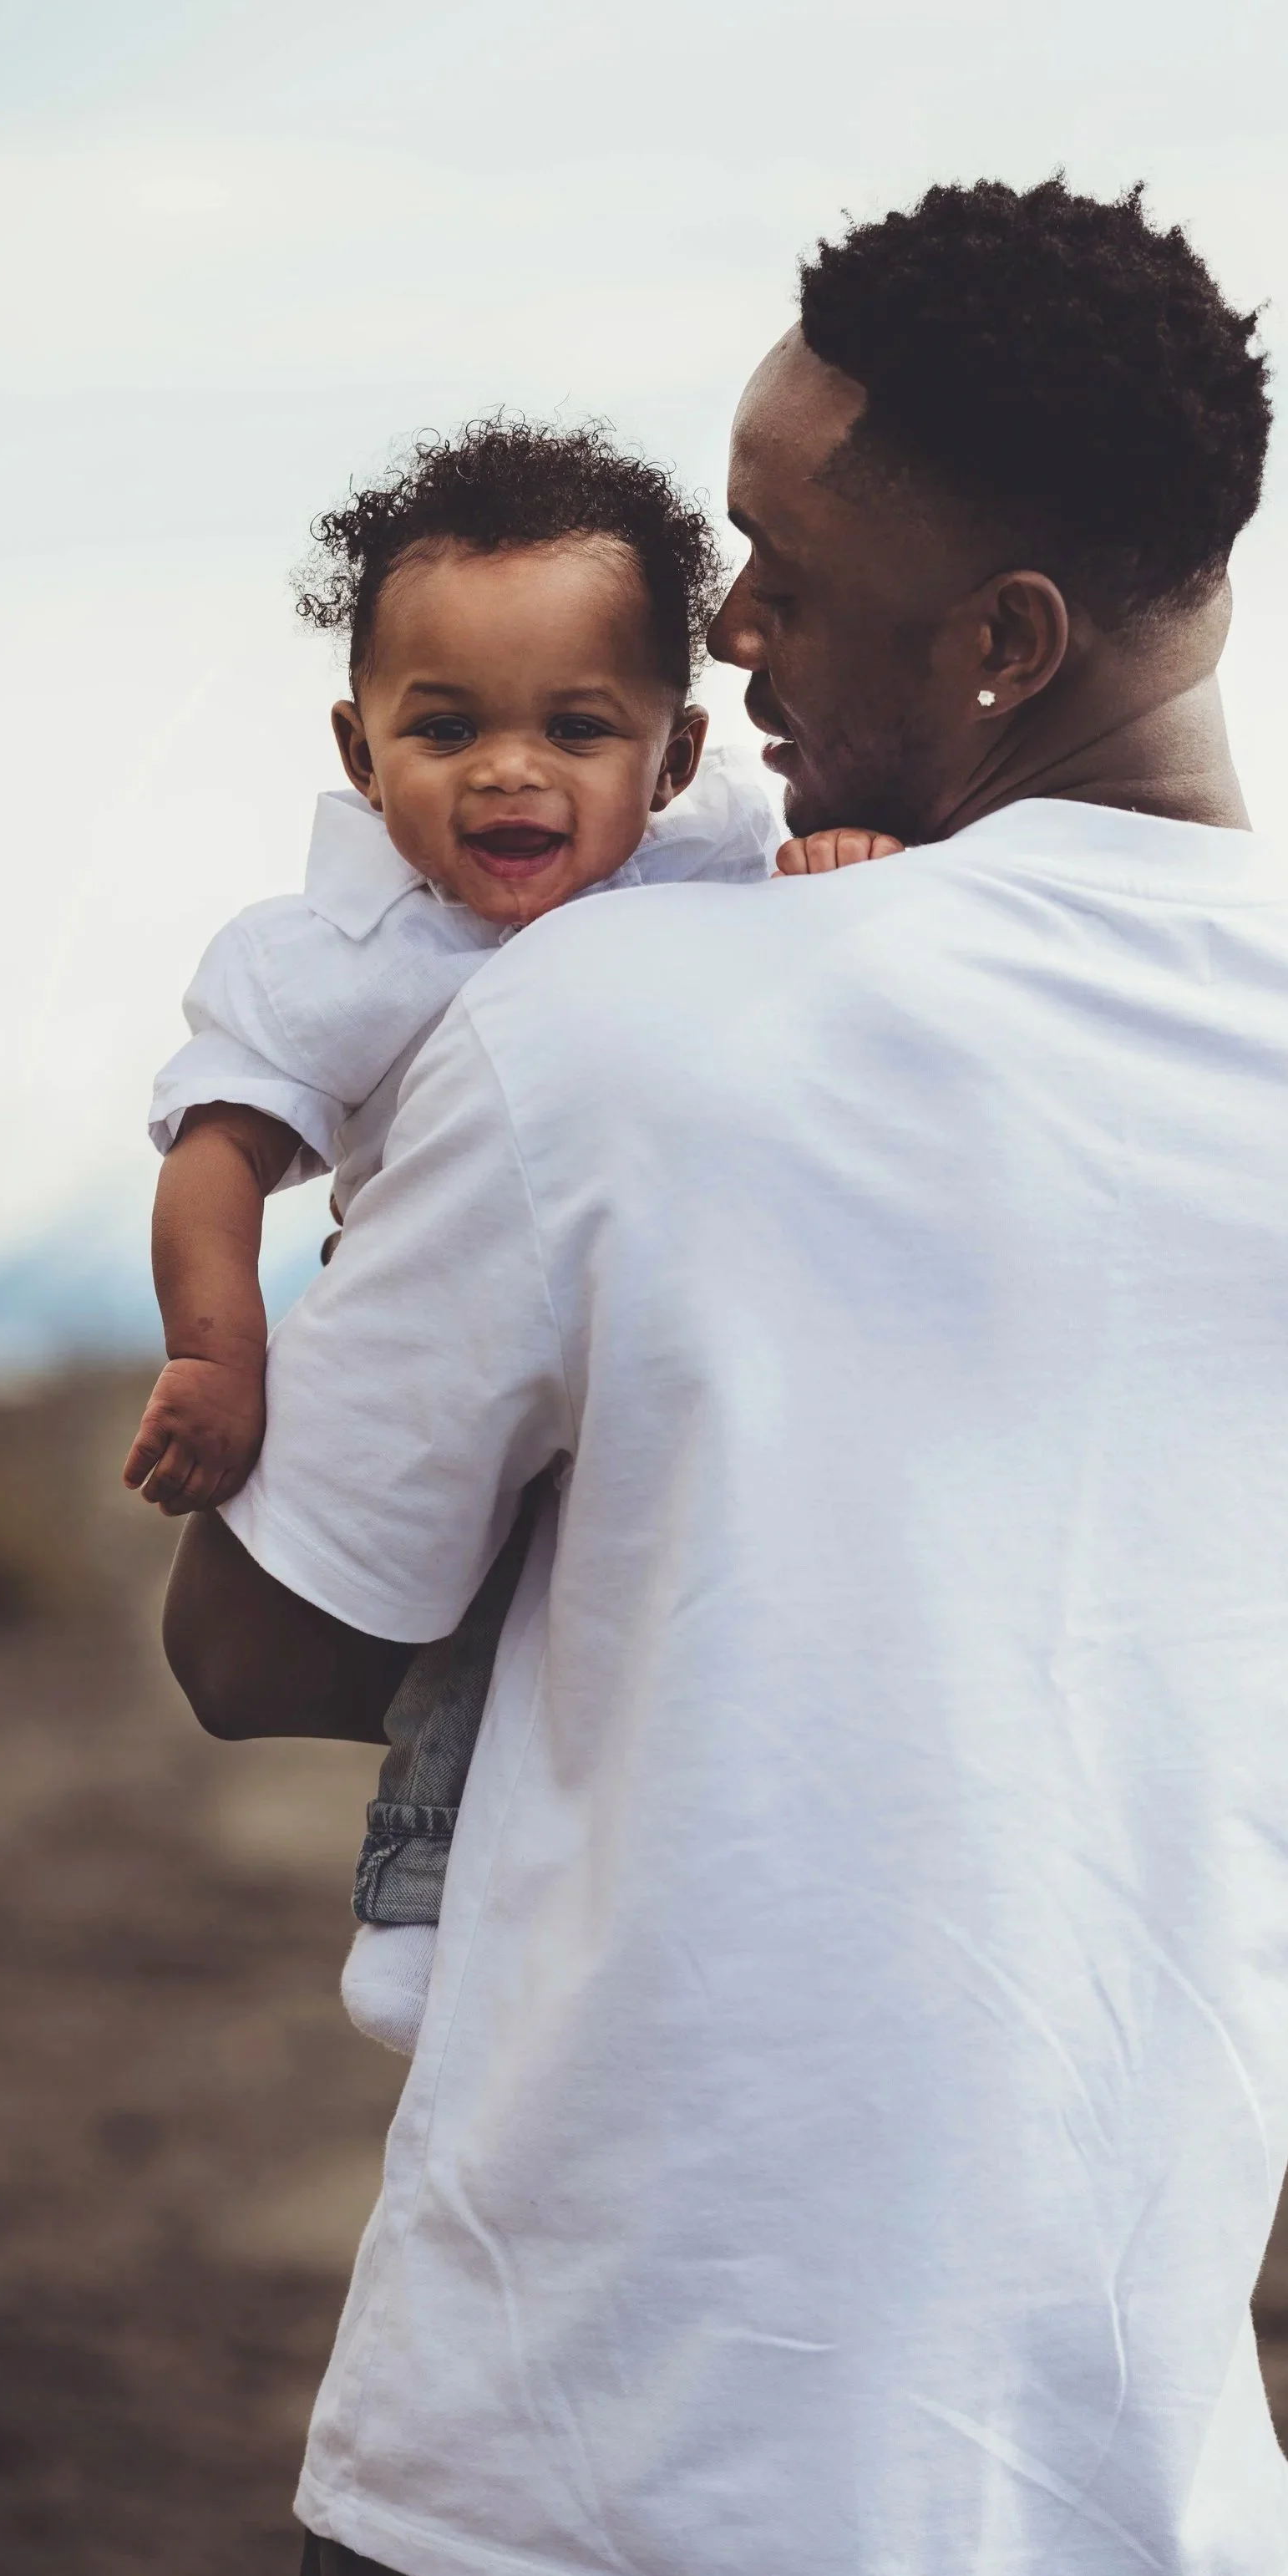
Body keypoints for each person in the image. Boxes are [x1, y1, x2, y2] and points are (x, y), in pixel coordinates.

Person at [165, 177, 1288, 2576]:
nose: (716, 629)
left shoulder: (612, 1026)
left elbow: (255, 1645)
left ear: (1003, 646)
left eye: (771, 563)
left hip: (572, 2565)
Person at [129, 414, 890, 2057]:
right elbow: (214, 1157)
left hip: (654, 1335)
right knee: (473, 1631)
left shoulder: (702, 868)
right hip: (453, 1346)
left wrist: (833, 871)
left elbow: (805, 954)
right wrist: (216, 1351)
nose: (509, 770)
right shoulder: (333, 952)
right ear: (358, 748)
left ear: (672, 757)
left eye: (576, 725)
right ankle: (416, 1891)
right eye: (445, 724)